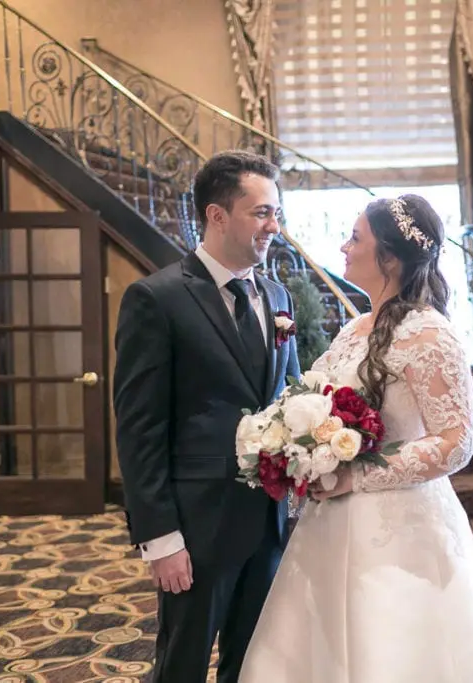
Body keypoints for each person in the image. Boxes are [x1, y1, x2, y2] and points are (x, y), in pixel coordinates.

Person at [238, 195, 473, 682]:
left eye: (355, 238)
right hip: (329, 522)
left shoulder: (430, 335)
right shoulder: (355, 329)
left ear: (389, 258)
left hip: (401, 530)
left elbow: (456, 440)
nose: (344, 247)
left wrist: (357, 475)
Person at [113, 150, 301, 683]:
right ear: (217, 215)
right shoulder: (156, 298)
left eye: (276, 213)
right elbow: (139, 429)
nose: (274, 227)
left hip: (268, 520)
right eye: (262, 213)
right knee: (182, 665)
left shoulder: (277, 296)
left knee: (255, 663)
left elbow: (289, 398)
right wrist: (161, 538)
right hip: (196, 527)